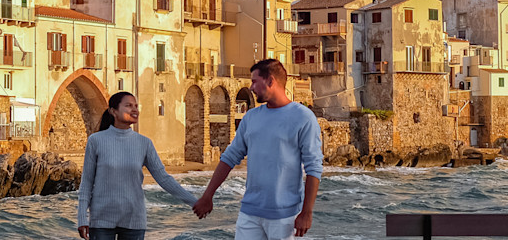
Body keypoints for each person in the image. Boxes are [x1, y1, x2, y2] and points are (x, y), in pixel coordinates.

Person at [193, 59, 323, 239]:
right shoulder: (251, 118)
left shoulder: (303, 117)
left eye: (255, 81)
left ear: (270, 81)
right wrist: (208, 195)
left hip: (285, 216)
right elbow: (230, 157)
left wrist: (307, 213)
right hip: (249, 213)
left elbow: (313, 167)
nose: (251, 87)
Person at [77, 91, 197, 240]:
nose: (135, 109)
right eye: (128, 106)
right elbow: (87, 182)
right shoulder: (96, 140)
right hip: (101, 220)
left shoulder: (144, 143)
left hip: (134, 220)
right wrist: (82, 218)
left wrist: (194, 202)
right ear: (113, 111)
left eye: (136, 106)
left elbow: (164, 179)